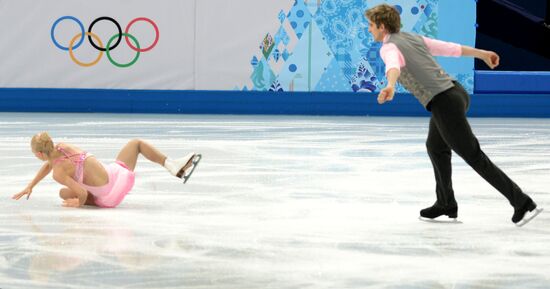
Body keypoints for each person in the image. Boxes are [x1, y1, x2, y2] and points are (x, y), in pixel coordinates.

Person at [365, 4, 539, 225]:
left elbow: (393, 66)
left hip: (444, 102)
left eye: (371, 25)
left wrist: (390, 85)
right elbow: (450, 48)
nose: (369, 29)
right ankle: (446, 203)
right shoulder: (413, 38)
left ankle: (521, 202)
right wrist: (482, 53)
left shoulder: (388, 47)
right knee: (436, 146)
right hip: (456, 93)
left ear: (382, 26)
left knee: (474, 156)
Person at [12, 132, 202, 208]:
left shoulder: (58, 172)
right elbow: (49, 163)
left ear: (38, 154)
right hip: (117, 179)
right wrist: (31, 185)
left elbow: (82, 193)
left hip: (108, 196)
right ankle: (172, 165)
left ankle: (100, 200)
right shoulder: (62, 147)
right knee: (136, 144)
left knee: (65, 193)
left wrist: (75, 204)